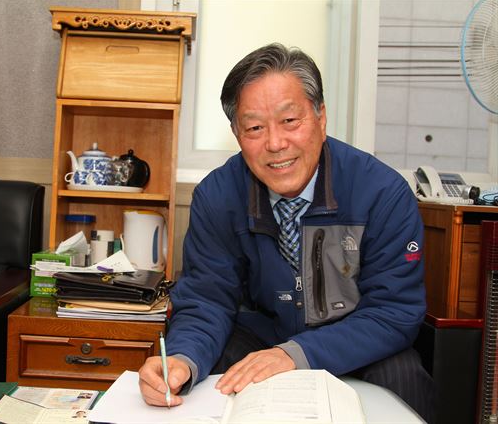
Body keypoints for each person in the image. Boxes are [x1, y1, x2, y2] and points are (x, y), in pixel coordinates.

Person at [138, 43, 435, 422]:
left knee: (403, 375)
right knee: (205, 373)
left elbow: (394, 312)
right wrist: (182, 359)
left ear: (321, 117)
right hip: (259, 339)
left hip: (356, 343)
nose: (275, 144)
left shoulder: (382, 193)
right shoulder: (217, 195)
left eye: (290, 121)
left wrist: (296, 354)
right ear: (236, 133)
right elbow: (206, 300)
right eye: (255, 128)